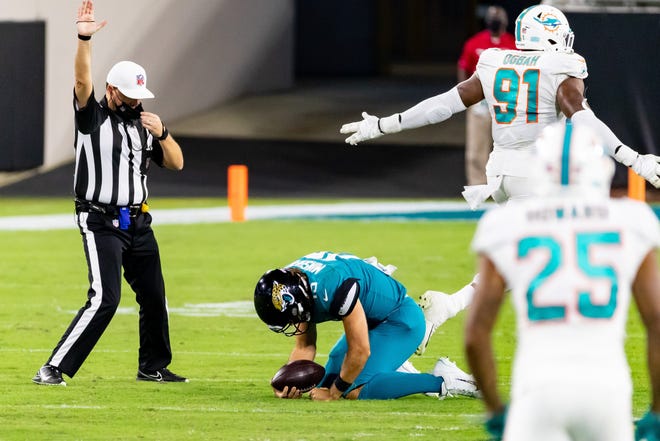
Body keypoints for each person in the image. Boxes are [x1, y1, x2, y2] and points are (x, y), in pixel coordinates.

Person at [340, 3, 660, 356]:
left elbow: (444, 105)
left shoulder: (496, 62)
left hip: (500, 174)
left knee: (527, 255)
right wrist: (634, 159)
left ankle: (452, 307)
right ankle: (467, 312)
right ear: (549, 36)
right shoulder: (560, 66)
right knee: (554, 249)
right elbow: (583, 120)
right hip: (537, 174)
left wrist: (384, 124)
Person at [464, 121, 660, 440]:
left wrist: (495, 410)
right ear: (601, 169)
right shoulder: (631, 220)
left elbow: (475, 334)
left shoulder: (506, 223)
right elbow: (657, 322)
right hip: (606, 390)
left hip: (538, 388)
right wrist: (658, 410)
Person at [32, 0, 186, 386]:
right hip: (100, 219)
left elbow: (177, 162)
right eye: (129, 95)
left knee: (154, 295)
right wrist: (84, 39)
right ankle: (53, 367)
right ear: (111, 90)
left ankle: (152, 366)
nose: (135, 102)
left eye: (139, 96)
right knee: (105, 298)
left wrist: (164, 133)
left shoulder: (142, 127)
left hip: (138, 220)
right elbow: (81, 83)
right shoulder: (93, 118)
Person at [253, 251, 479, 400]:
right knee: (326, 381)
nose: (293, 324)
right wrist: (289, 383)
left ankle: (444, 380)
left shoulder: (330, 286)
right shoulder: (293, 281)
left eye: (291, 318)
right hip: (373, 319)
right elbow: (304, 347)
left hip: (400, 320)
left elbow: (360, 350)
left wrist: (333, 394)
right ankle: (389, 365)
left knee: (351, 390)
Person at [458, 5, 516, 186]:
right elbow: (463, 67)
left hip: (506, 103)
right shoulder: (474, 43)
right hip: (481, 102)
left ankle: (505, 186)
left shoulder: (513, 44)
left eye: (497, 17)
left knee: (509, 146)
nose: (494, 21)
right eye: (492, 17)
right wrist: (464, 95)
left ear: (505, 21)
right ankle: (478, 185)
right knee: (477, 147)